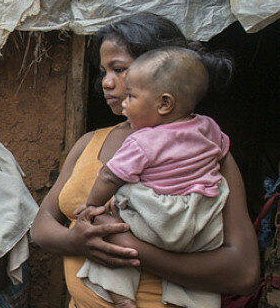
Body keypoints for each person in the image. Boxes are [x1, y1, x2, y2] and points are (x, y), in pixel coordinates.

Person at [29, 13, 260, 307]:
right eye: (103, 71)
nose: (107, 83)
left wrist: (130, 249)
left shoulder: (205, 154)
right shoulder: (89, 143)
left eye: (119, 69)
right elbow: (41, 225)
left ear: (163, 79)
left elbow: (244, 272)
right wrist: (76, 242)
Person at [76, 47, 232, 308]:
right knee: (197, 275)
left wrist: (92, 205)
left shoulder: (142, 141)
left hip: (159, 221)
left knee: (110, 231)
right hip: (201, 226)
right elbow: (221, 151)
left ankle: (122, 299)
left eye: (131, 96)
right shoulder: (209, 127)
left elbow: (109, 176)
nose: (125, 104)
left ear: (164, 103)